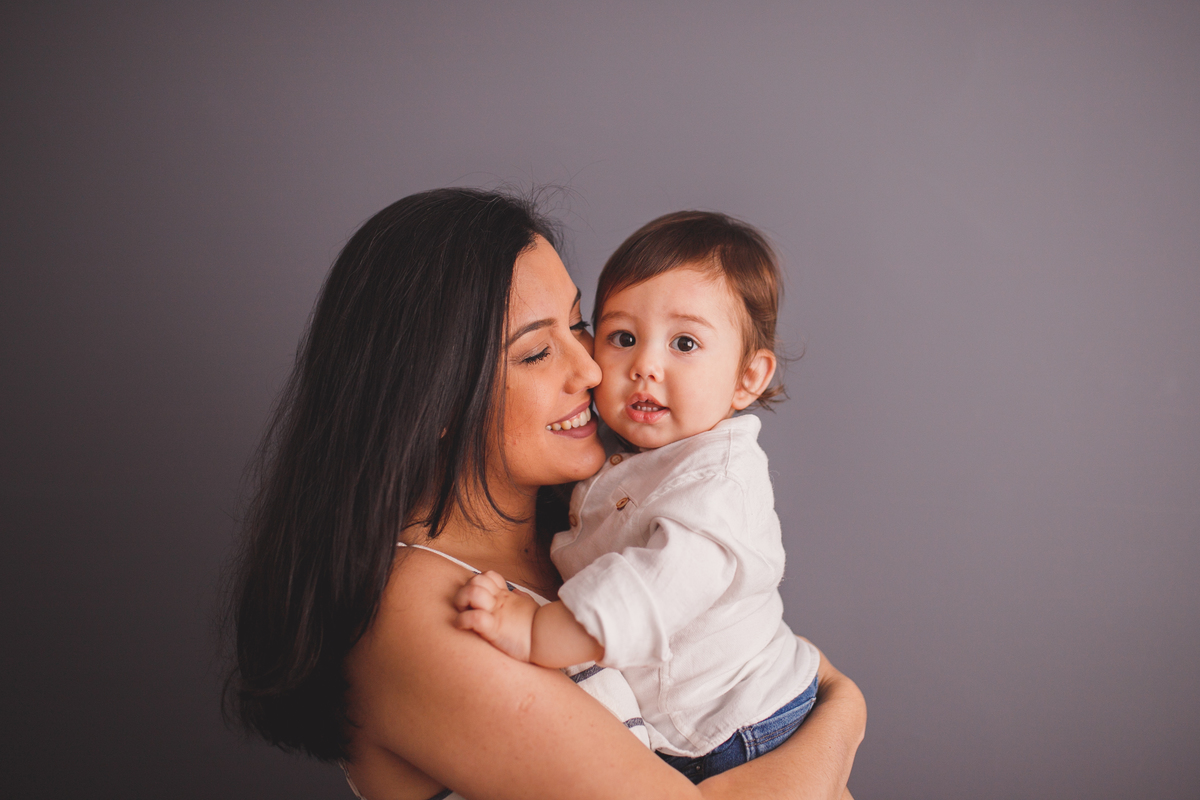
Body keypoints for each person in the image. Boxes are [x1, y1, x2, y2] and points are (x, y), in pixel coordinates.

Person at [225, 188, 866, 800]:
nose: (591, 368)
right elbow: (826, 687)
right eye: (536, 353)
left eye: (580, 324)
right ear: (433, 400)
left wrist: (837, 706)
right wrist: (844, 716)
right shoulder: (421, 611)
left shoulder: (593, 522)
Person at [456, 211, 822, 783]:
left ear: (748, 377)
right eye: (622, 337)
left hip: (734, 729)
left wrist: (532, 630)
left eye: (684, 343)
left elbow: (646, 593)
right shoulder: (649, 459)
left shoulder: (716, 485)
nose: (645, 366)